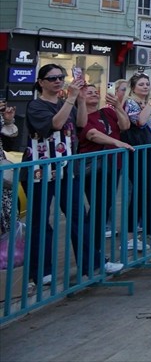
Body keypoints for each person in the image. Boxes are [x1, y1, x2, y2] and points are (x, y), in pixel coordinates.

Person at [25, 64, 92, 293]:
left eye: (61, 77)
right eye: (52, 78)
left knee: (78, 217)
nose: (58, 81)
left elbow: (81, 124)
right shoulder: (36, 105)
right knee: (41, 222)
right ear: (41, 82)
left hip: (65, 169)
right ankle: (41, 272)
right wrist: (71, 99)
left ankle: (89, 265)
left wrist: (80, 100)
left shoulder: (67, 103)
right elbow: (54, 125)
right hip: (40, 172)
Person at [77, 82, 130, 276]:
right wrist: (116, 142)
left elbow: (125, 126)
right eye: (87, 92)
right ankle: (94, 258)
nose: (92, 94)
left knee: (103, 208)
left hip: (113, 165)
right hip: (94, 168)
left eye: (94, 92)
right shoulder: (81, 117)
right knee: (97, 210)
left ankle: (96, 256)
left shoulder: (105, 113)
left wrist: (117, 105)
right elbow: (91, 134)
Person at [123, 73, 151, 252]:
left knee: (146, 193)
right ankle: (140, 236)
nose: (145, 87)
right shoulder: (131, 103)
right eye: (141, 84)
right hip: (138, 152)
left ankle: (146, 235)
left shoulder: (147, 103)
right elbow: (140, 122)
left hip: (150, 150)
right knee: (142, 193)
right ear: (132, 87)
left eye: (147, 84)